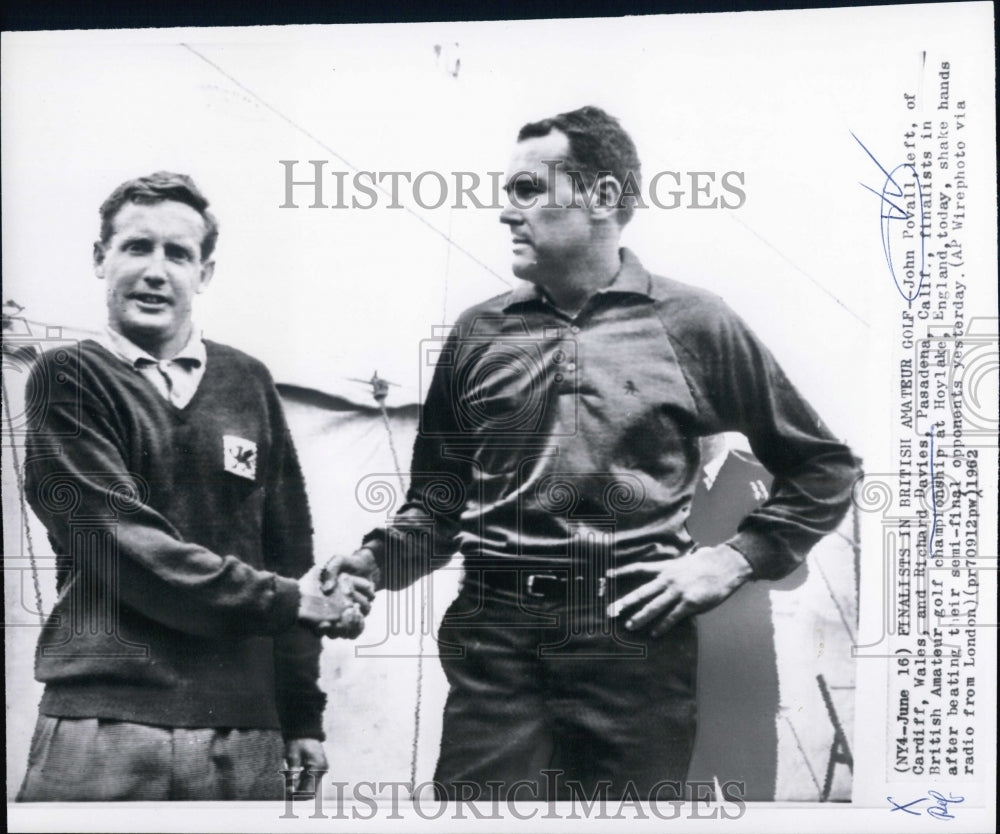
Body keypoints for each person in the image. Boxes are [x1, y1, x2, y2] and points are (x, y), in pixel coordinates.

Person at [326, 106, 861, 800]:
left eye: (525, 190)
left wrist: (732, 560)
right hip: (495, 646)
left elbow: (824, 465)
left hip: (632, 644)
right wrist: (372, 564)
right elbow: (436, 507)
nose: (503, 213)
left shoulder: (695, 323)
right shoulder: (477, 333)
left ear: (603, 197)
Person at [17, 172, 372, 802]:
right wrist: (292, 600)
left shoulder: (248, 382)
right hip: (106, 724)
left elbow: (290, 556)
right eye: (136, 247)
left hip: (245, 732)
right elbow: (123, 544)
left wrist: (300, 717)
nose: (157, 270)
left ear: (204, 272)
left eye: (178, 254)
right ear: (101, 259)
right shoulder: (68, 378)